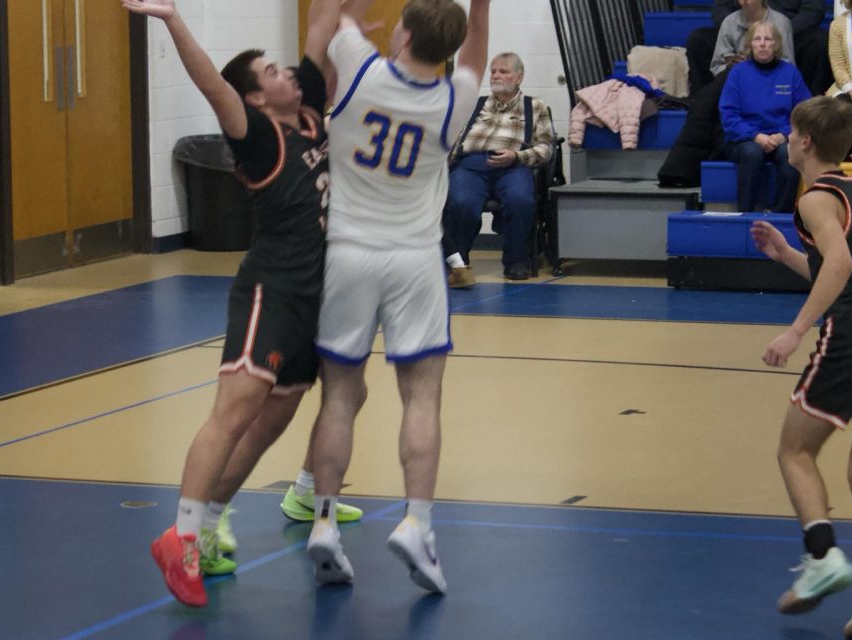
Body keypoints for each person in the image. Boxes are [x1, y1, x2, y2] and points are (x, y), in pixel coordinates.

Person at [119, 0, 365, 608]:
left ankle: (208, 522)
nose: (286, 72)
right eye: (272, 71)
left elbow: (320, 26)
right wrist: (174, 20)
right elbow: (211, 83)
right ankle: (179, 535)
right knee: (234, 413)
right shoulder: (258, 136)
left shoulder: (306, 108)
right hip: (271, 290)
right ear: (256, 97)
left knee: (269, 423)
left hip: (314, 293)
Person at [306, 0, 489, 595]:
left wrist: (352, 18)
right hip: (414, 258)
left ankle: (325, 521)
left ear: (404, 33)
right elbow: (477, 51)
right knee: (422, 395)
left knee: (338, 394)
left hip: (349, 251)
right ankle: (418, 523)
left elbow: (335, 17)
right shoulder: (453, 99)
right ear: (448, 50)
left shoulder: (358, 66)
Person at [750, 95, 852, 637]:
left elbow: (842, 266)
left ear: (802, 141)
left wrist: (797, 330)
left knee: (794, 449)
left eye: (792, 130)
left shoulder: (816, 199)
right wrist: (786, 256)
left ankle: (823, 559)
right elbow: (843, 267)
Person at [442, 52, 554, 286]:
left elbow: (545, 148)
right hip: (471, 165)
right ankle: (457, 264)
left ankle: (516, 262)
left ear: (519, 77)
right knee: (461, 202)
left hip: (512, 165)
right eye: (493, 71)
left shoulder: (535, 106)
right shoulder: (475, 104)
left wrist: (518, 156)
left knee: (520, 200)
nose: (496, 76)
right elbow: (453, 140)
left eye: (503, 71)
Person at [719, 21, 810, 213]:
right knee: (752, 153)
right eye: (757, 39)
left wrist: (783, 134)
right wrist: (755, 136)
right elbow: (728, 114)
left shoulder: (790, 73)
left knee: (790, 153)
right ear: (750, 44)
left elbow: (805, 112)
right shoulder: (737, 73)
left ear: (776, 44)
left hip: (781, 137)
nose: (762, 44)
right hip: (745, 139)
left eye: (767, 39)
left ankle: (781, 214)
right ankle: (746, 213)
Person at [687, 0, 827, 97]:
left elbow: (813, 10)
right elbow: (720, 8)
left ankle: (810, 105)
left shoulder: (782, 25)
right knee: (698, 39)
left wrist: (775, 33)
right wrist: (746, 34)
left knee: (818, 41)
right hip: (741, 29)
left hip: (788, 32)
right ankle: (703, 100)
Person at [710, 0, 797, 83]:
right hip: (737, 80)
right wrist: (732, 67)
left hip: (770, 81)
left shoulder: (780, 23)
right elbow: (717, 66)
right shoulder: (729, 22)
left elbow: (789, 66)